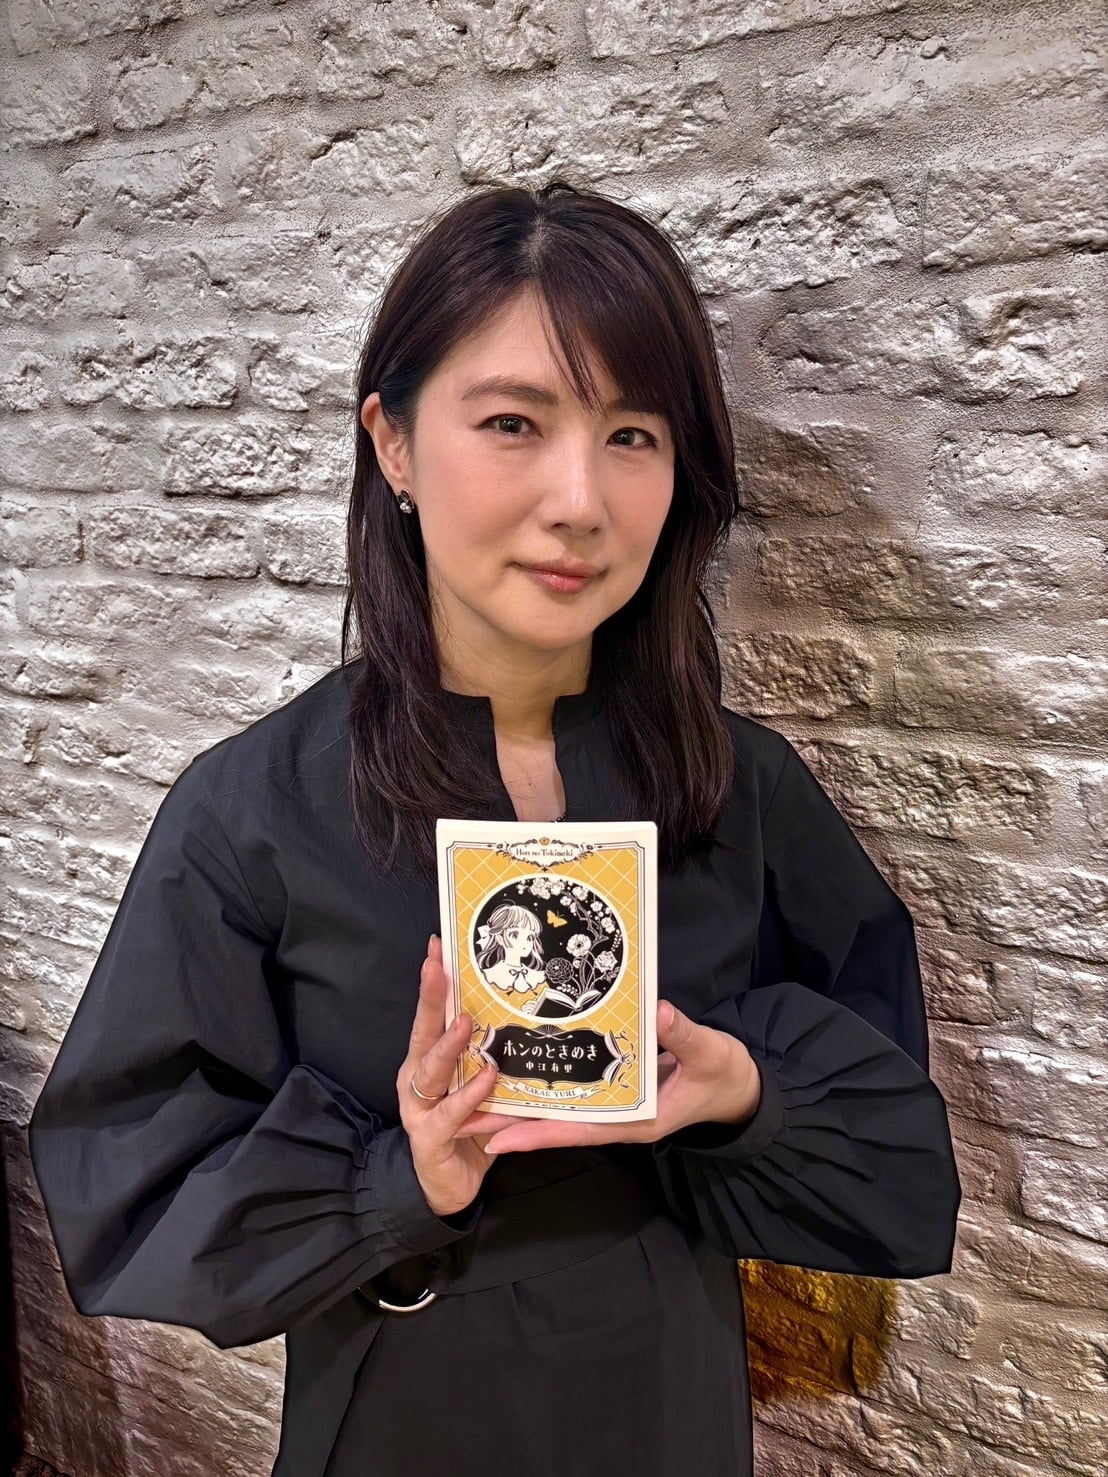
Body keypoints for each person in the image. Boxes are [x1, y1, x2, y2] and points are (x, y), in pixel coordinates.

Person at [28, 179, 962, 1477]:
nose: (580, 498)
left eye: (632, 434)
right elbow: (130, 1181)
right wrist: (399, 1179)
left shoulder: (737, 787)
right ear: (395, 444)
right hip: (405, 1410)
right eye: (514, 422)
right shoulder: (257, 807)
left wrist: (742, 1090)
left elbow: (891, 1134)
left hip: (669, 1410)